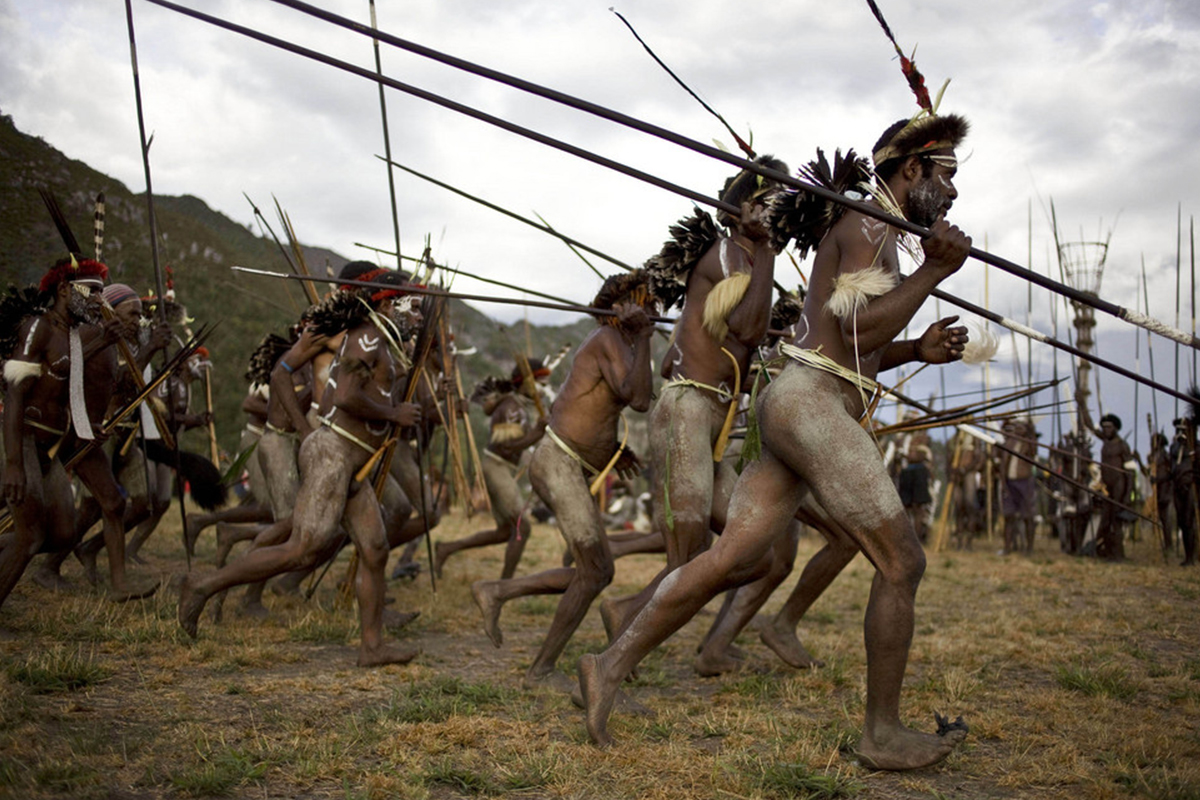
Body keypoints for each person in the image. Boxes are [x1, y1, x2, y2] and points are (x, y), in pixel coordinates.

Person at [580, 112, 972, 770]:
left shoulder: (879, 233)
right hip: (810, 406)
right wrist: (932, 275)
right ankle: (881, 733)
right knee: (902, 563)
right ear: (913, 170)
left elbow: (849, 344)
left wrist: (917, 348)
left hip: (798, 400)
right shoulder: (869, 226)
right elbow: (851, 334)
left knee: (732, 554)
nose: (955, 191)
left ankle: (607, 664)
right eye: (947, 175)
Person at [178, 270, 422, 667]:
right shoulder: (366, 337)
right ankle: (202, 585)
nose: (412, 315)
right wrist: (394, 412)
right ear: (384, 303)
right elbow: (345, 396)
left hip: (350, 463)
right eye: (406, 305)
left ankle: (372, 647)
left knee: (375, 550)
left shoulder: (375, 339)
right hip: (333, 455)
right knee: (301, 549)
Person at [599, 155, 791, 647]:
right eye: (766, 203)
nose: (775, 212)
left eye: (778, 203)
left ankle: (626, 611)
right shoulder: (729, 255)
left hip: (710, 419)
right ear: (740, 210)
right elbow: (748, 329)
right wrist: (768, 252)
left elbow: (672, 363)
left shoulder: (747, 263)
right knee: (687, 554)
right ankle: (616, 659)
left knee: (758, 554)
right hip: (687, 412)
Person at [470, 272, 655, 692]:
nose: (653, 310)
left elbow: (592, 408)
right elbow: (640, 399)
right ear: (624, 306)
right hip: (558, 463)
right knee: (595, 571)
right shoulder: (609, 339)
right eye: (646, 302)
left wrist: (610, 451)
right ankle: (539, 671)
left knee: (595, 571)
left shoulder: (619, 344)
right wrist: (643, 336)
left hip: (567, 463)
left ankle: (498, 591)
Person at [1, 259, 157, 606]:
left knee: (61, 533)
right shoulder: (39, 328)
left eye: (102, 293)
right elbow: (16, 392)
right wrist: (13, 460)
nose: (97, 301)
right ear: (64, 290)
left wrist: (89, 425)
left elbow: (75, 390)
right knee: (30, 534)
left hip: (56, 444)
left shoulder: (74, 335)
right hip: (24, 437)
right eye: (93, 292)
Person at [433, 361, 549, 579]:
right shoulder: (511, 408)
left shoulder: (519, 406)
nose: (543, 388)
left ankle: (446, 548)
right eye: (540, 382)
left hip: (501, 468)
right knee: (521, 528)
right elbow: (504, 446)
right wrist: (536, 433)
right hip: (495, 466)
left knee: (505, 531)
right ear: (525, 383)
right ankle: (505, 585)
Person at [1078, 401, 1134, 561]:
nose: (1106, 430)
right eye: (1104, 427)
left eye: (1109, 427)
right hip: (1106, 486)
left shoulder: (1122, 446)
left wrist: (1127, 495)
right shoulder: (1105, 441)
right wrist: (1081, 405)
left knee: (1116, 520)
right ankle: (1107, 550)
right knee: (1106, 519)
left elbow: (1130, 471)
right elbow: (1089, 425)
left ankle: (1118, 554)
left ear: (1116, 428)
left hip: (1119, 485)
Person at [998, 418, 1039, 555]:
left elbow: (1033, 452)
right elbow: (1003, 463)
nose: (1017, 429)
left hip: (1024, 483)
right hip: (1009, 483)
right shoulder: (1010, 442)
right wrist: (1003, 483)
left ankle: (1029, 548)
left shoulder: (1029, 444)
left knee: (1028, 516)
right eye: (1016, 427)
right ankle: (1007, 547)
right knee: (1008, 515)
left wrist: (1031, 432)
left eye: (1020, 427)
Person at [1170, 417, 1197, 567]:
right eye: (1178, 430)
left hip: (1190, 487)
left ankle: (1192, 557)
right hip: (1177, 487)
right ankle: (1187, 557)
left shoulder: (1195, 447)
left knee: (1189, 521)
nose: (1180, 434)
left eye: (1183, 431)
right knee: (1182, 523)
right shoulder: (1174, 448)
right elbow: (1171, 468)